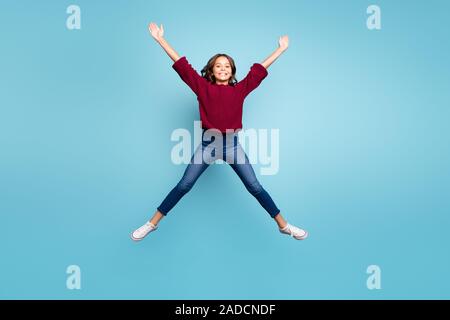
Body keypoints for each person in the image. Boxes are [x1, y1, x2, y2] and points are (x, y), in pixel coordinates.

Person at [131, 22, 308, 241]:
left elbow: (259, 70)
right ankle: (152, 224)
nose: (223, 68)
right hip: (208, 145)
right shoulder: (202, 87)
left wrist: (280, 50)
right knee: (184, 184)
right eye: (218, 66)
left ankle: (284, 226)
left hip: (232, 146)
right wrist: (160, 39)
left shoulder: (240, 89)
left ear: (232, 71)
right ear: (211, 71)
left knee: (254, 186)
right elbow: (181, 65)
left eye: (227, 66)